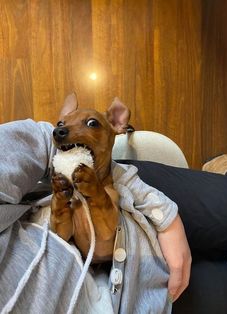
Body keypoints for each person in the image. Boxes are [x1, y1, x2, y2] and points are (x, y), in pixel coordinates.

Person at [0, 118, 191, 314]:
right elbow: (63, 236)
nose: (62, 130)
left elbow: (45, 141)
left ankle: (224, 166)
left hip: (136, 205)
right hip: (137, 285)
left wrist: (166, 218)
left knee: (220, 208)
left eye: (91, 123)